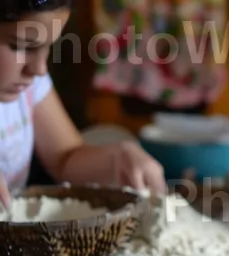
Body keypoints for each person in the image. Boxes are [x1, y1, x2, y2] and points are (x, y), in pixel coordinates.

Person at [0, 0, 167, 209]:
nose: (39, 69)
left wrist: (119, 156)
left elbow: (65, 158)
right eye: (20, 46)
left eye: (48, 47)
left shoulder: (28, 87)